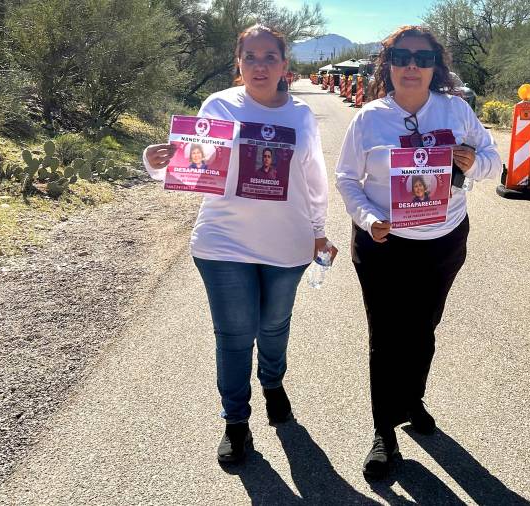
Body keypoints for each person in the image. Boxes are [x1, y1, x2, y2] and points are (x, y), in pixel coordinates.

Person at [143, 24, 336, 464]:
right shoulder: (219, 105)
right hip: (223, 242)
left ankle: (272, 383)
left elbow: (314, 180)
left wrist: (318, 231)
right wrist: (157, 165)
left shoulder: (301, 116)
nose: (261, 66)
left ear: (286, 65)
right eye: (251, 57)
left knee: (273, 326)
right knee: (234, 335)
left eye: (270, 57)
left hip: (287, 244)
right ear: (239, 63)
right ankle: (236, 422)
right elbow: (193, 163)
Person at [334, 25, 501, 479]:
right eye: (402, 57)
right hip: (383, 245)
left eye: (422, 58)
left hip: (443, 242)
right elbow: (347, 179)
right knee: (386, 338)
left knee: (424, 328)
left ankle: (412, 402)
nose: (412, 66)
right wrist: (369, 219)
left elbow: (493, 160)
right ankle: (383, 432)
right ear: (388, 64)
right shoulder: (369, 118)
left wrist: (474, 162)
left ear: (435, 67)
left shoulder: (456, 110)